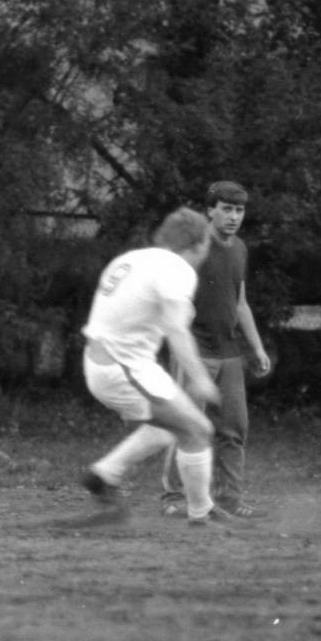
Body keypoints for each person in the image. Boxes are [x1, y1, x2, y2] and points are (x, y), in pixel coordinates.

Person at [75, 207, 240, 528]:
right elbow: (176, 329)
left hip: (111, 362)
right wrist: (199, 378)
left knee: (171, 429)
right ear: (198, 244)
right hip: (123, 369)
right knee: (197, 430)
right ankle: (200, 515)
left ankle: (103, 475)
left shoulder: (133, 259)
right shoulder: (178, 269)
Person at [157, 181, 273, 519]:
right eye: (226, 209)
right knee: (188, 423)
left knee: (235, 428)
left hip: (229, 353)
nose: (234, 216)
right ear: (210, 210)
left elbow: (240, 304)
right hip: (194, 351)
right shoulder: (195, 247)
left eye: (239, 210)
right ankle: (174, 498)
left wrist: (257, 347)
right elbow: (171, 297)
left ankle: (229, 499)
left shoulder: (240, 249)